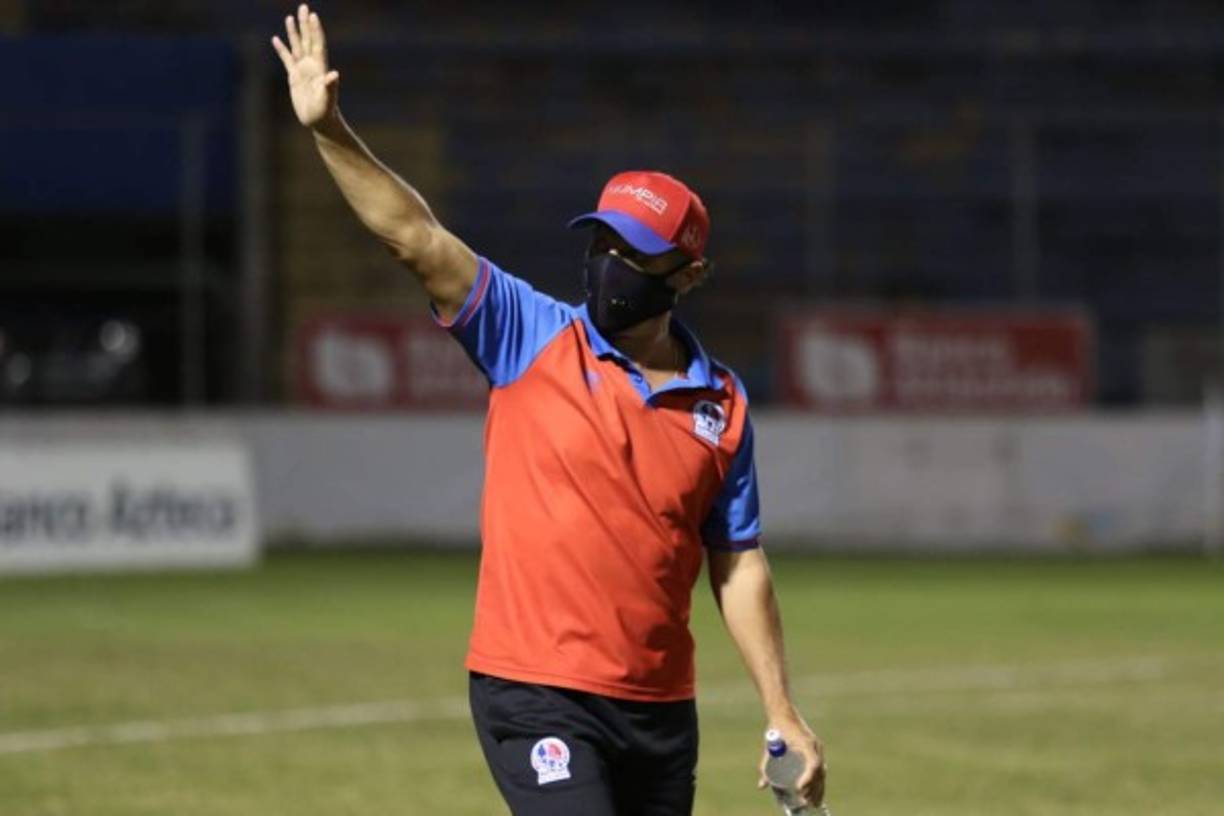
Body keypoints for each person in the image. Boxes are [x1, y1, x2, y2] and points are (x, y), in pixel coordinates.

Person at [272, 6, 827, 814]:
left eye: (634, 253)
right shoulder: (528, 333)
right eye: (602, 241)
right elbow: (416, 239)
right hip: (533, 691)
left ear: (688, 273)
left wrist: (782, 710)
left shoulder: (724, 405)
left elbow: (737, 562)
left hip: (661, 711)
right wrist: (329, 129)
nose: (609, 264)